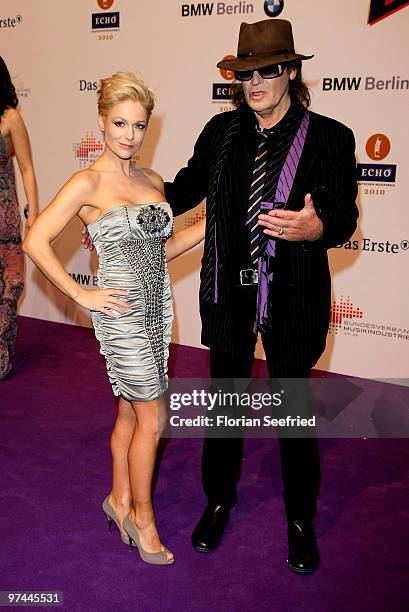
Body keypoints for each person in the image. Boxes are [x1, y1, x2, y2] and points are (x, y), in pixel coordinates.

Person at [164, 19, 359, 573]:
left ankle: (300, 518)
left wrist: (314, 228)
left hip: (293, 298)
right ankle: (218, 500)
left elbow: (344, 217)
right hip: (229, 292)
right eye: (244, 71)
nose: (254, 82)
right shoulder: (220, 133)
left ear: (292, 71)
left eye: (267, 70)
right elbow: (182, 189)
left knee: (293, 412)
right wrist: (123, 200)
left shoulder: (330, 138)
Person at [24, 71, 205, 566]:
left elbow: (162, 250)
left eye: (139, 125)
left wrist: (211, 226)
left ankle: (119, 499)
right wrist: (82, 293)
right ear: (101, 122)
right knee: (154, 415)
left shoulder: (152, 180)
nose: (129, 135)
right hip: (120, 313)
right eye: (120, 123)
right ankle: (143, 519)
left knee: (129, 410)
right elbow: (35, 241)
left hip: (157, 310)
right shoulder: (88, 181)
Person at [0, 56, 39, 379]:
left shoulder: (10, 118)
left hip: (6, 220)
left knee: (10, 286)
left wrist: (33, 214)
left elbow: (26, 168)